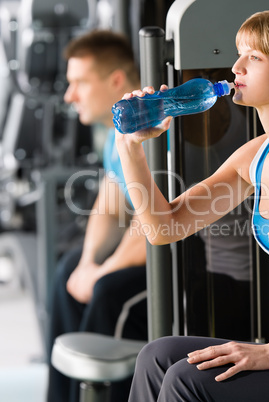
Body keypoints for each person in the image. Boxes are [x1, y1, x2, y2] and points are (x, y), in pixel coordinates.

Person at [116, 7, 269, 402]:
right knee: (157, 356)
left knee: (187, 382)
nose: (236, 65)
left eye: (254, 57)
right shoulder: (258, 156)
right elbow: (163, 228)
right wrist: (130, 146)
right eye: (240, 53)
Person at [46, 30, 147, 402]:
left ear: (116, 80)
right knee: (69, 269)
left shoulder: (151, 124)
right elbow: (111, 204)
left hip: (181, 264)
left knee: (107, 292)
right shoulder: (114, 131)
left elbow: (150, 224)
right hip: (142, 247)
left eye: (80, 83)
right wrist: (89, 262)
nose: (70, 95)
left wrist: (102, 273)